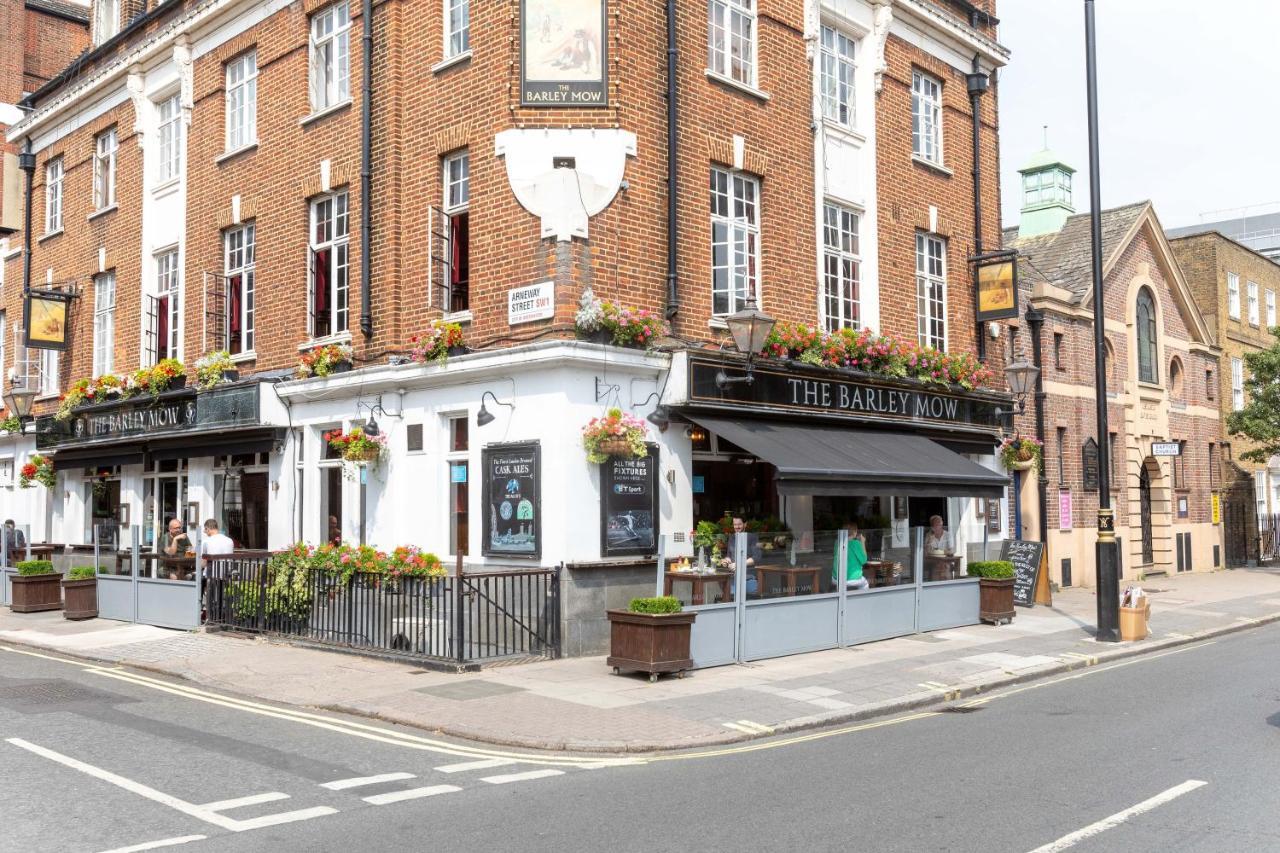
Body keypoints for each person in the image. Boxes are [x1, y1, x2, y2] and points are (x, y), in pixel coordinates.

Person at [834, 521, 870, 590]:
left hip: (836, 577)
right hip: (851, 578)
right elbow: (864, 561)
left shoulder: (837, 542)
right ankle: (863, 600)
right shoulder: (856, 543)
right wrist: (862, 542)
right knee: (865, 584)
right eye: (856, 531)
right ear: (854, 532)